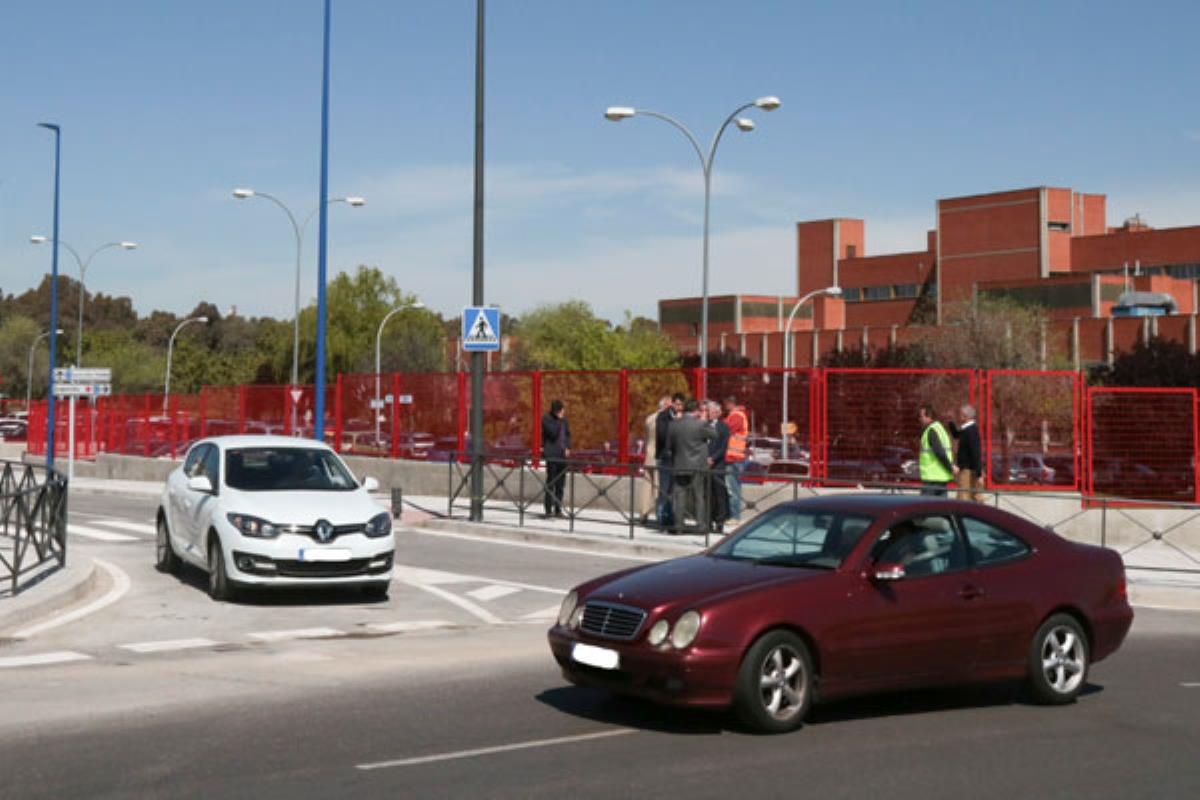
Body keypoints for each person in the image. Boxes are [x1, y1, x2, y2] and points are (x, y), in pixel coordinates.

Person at [663, 399, 714, 534]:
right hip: (697, 466)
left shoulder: (673, 425)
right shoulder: (700, 424)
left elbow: (668, 447)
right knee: (698, 496)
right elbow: (715, 434)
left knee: (679, 497)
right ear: (696, 410)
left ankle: (679, 526)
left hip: (679, 465)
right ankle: (701, 526)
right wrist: (705, 420)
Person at [654, 392, 685, 530]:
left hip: (679, 458)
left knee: (676, 490)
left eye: (681, 405)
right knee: (665, 489)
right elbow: (662, 435)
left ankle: (673, 518)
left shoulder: (685, 417)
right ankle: (662, 518)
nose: (679, 407)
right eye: (676, 404)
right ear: (672, 403)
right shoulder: (663, 416)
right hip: (666, 457)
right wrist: (676, 424)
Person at [638, 396, 670, 524]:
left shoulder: (649, 418)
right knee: (658, 486)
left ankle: (643, 513)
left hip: (648, 455)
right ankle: (659, 514)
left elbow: (647, 437)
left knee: (647, 486)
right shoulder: (664, 419)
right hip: (658, 456)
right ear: (667, 405)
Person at [541, 399, 571, 517]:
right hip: (552, 455)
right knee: (551, 482)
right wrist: (558, 420)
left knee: (560, 484)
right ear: (556, 411)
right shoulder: (547, 419)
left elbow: (568, 435)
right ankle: (548, 509)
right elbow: (552, 434)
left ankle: (558, 509)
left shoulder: (564, 421)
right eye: (560, 411)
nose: (563, 412)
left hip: (562, 455)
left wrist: (568, 447)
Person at [917, 403, 955, 496]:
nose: (919, 419)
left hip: (931, 480)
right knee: (941, 509)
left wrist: (951, 468)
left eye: (921, 416)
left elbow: (940, 453)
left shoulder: (931, 431)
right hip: (942, 478)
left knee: (925, 509)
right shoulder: (940, 429)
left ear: (929, 416)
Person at [722, 395, 749, 522]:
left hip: (734, 458)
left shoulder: (737, 416)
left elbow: (724, 430)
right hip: (733, 457)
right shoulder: (736, 415)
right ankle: (733, 516)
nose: (724, 406)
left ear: (731, 403)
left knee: (733, 490)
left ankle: (735, 517)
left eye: (726, 404)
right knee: (732, 488)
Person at [706, 400, 731, 532]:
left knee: (719, 493)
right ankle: (708, 520)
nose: (709, 413)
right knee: (707, 494)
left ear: (717, 413)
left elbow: (723, 447)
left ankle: (720, 521)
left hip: (718, 465)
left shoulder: (724, 427)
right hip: (704, 465)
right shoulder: (704, 425)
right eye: (709, 411)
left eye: (711, 411)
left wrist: (713, 459)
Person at [952, 403, 984, 502]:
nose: (959, 416)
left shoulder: (971, 431)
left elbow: (975, 452)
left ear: (966, 416)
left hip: (968, 470)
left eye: (960, 414)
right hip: (967, 469)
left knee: (964, 497)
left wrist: (979, 474)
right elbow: (957, 435)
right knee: (971, 496)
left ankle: (974, 516)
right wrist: (951, 424)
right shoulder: (966, 429)